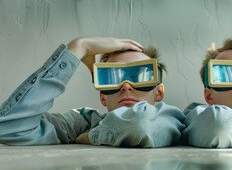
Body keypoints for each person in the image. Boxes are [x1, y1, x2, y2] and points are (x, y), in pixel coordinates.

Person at [0, 37, 185, 147]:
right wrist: (79, 47)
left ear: (159, 93)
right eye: (113, 78)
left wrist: (93, 137)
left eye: (141, 76)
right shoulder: (84, 122)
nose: (126, 86)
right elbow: (9, 128)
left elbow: (141, 124)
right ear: (102, 96)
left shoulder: (174, 118)